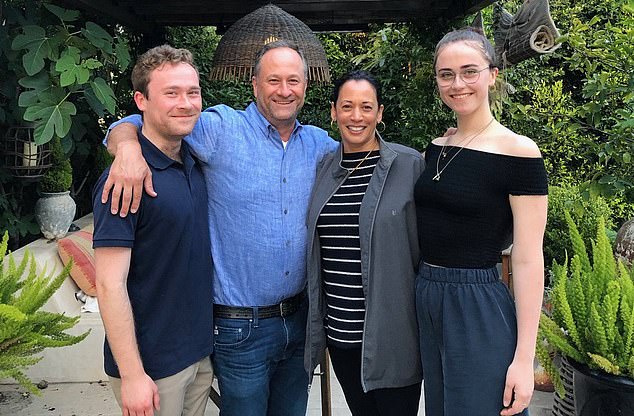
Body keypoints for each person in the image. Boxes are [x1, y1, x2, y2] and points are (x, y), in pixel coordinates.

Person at [102, 40, 338, 416]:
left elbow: (365, 152)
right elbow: (150, 118)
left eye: (294, 80)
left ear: (306, 87)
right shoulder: (220, 130)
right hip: (240, 328)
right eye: (273, 80)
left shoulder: (319, 145)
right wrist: (127, 145)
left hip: (298, 322)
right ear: (255, 85)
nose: (284, 90)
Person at [414, 27, 548, 416]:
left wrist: (525, 360)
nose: (458, 84)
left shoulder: (519, 152)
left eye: (469, 71)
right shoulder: (438, 147)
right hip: (428, 296)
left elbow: (527, 258)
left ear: (492, 74)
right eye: (446, 74)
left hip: (477, 303)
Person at [92, 45, 214, 416]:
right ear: (141, 100)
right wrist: (132, 376)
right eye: (171, 93)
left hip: (198, 354)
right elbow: (108, 284)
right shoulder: (124, 180)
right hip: (152, 367)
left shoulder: (195, 159)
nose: (186, 103)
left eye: (192, 92)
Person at [304, 71, 424, 415]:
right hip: (341, 338)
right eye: (347, 106)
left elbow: (428, 248)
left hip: (393, 339)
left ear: (380, 113)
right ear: (333, 112)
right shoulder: (324, 167)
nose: (356, 117)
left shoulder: (409, 165)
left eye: (366, 107)